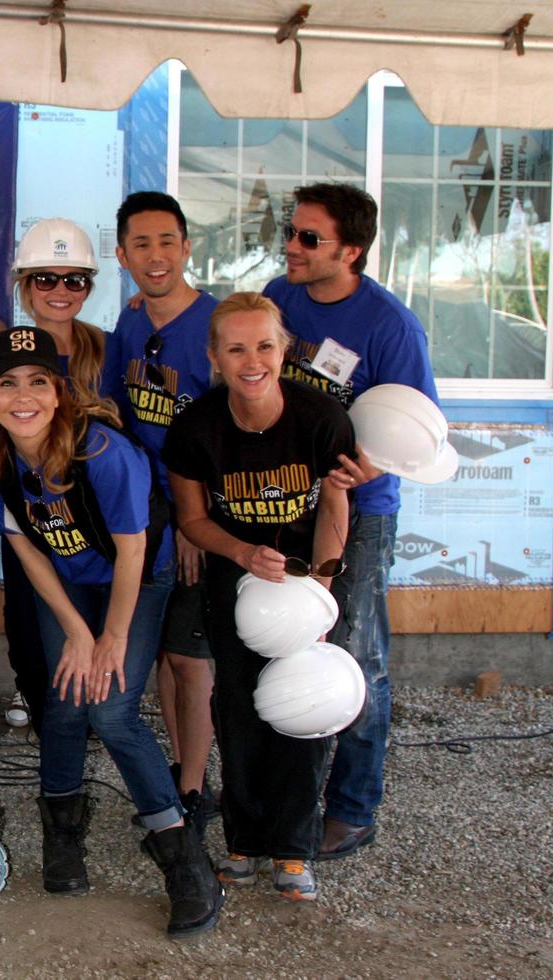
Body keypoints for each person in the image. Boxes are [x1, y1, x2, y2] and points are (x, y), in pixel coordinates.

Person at [0, 326, 222, 937]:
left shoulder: (99, 451)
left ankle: (181, 854)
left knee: (110, 711)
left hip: (136, 578)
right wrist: (76, 631)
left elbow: (133, 553)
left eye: (36, 382)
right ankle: (62, 826)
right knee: (64, 697)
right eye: (7, 384)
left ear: (58, 392)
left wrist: (109, 638)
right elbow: (27, 552)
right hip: (72, 582)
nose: (22, 396)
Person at [262, 182, 440, 860]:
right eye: (292, 233)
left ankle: (354, 807)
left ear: (352, 250)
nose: (293, 248)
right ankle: (280, 794)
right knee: (281, 645)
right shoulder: (282, 297)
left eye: (310, 239)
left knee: (356, 653)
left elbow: (415, 431)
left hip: (360, 513)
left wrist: (370, 466)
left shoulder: (391, 326)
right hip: (285, 507)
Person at [163, 292, 354, 902]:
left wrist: (320, 590)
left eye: (265, 345)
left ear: (285, 350)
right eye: (237, 347)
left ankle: (294, 851)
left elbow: (334, 502)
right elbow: (192, 520)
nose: (252, 360)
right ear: (214, 356)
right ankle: (244, 842)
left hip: (306, 582)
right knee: (240, 711)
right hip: (236, 582)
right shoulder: (196, 426)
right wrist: (243, 553)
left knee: (307, 710)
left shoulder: (320, 417)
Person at [103, 191, 219, 826]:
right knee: (164, 664)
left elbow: (228, 439)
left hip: (197, 517)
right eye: (141, 244)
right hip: (148, 515)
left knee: (190, 659)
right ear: (122, 255)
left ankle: (195, 790)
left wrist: (198, 520)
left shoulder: (215, 327)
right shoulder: (131, 323)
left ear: (187, 247)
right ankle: (179, 770)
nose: (156, 256)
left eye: (167, 241)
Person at [0, 217, 107, 735]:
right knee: (28, 629)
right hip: (31, 517)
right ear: (23, 284)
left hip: (94, 522)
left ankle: (84, 722)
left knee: (90, 624)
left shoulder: (107, 346)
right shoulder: (2, 344)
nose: (60, 290)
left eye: (74, 280)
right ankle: (46, 718)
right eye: (45, 279)